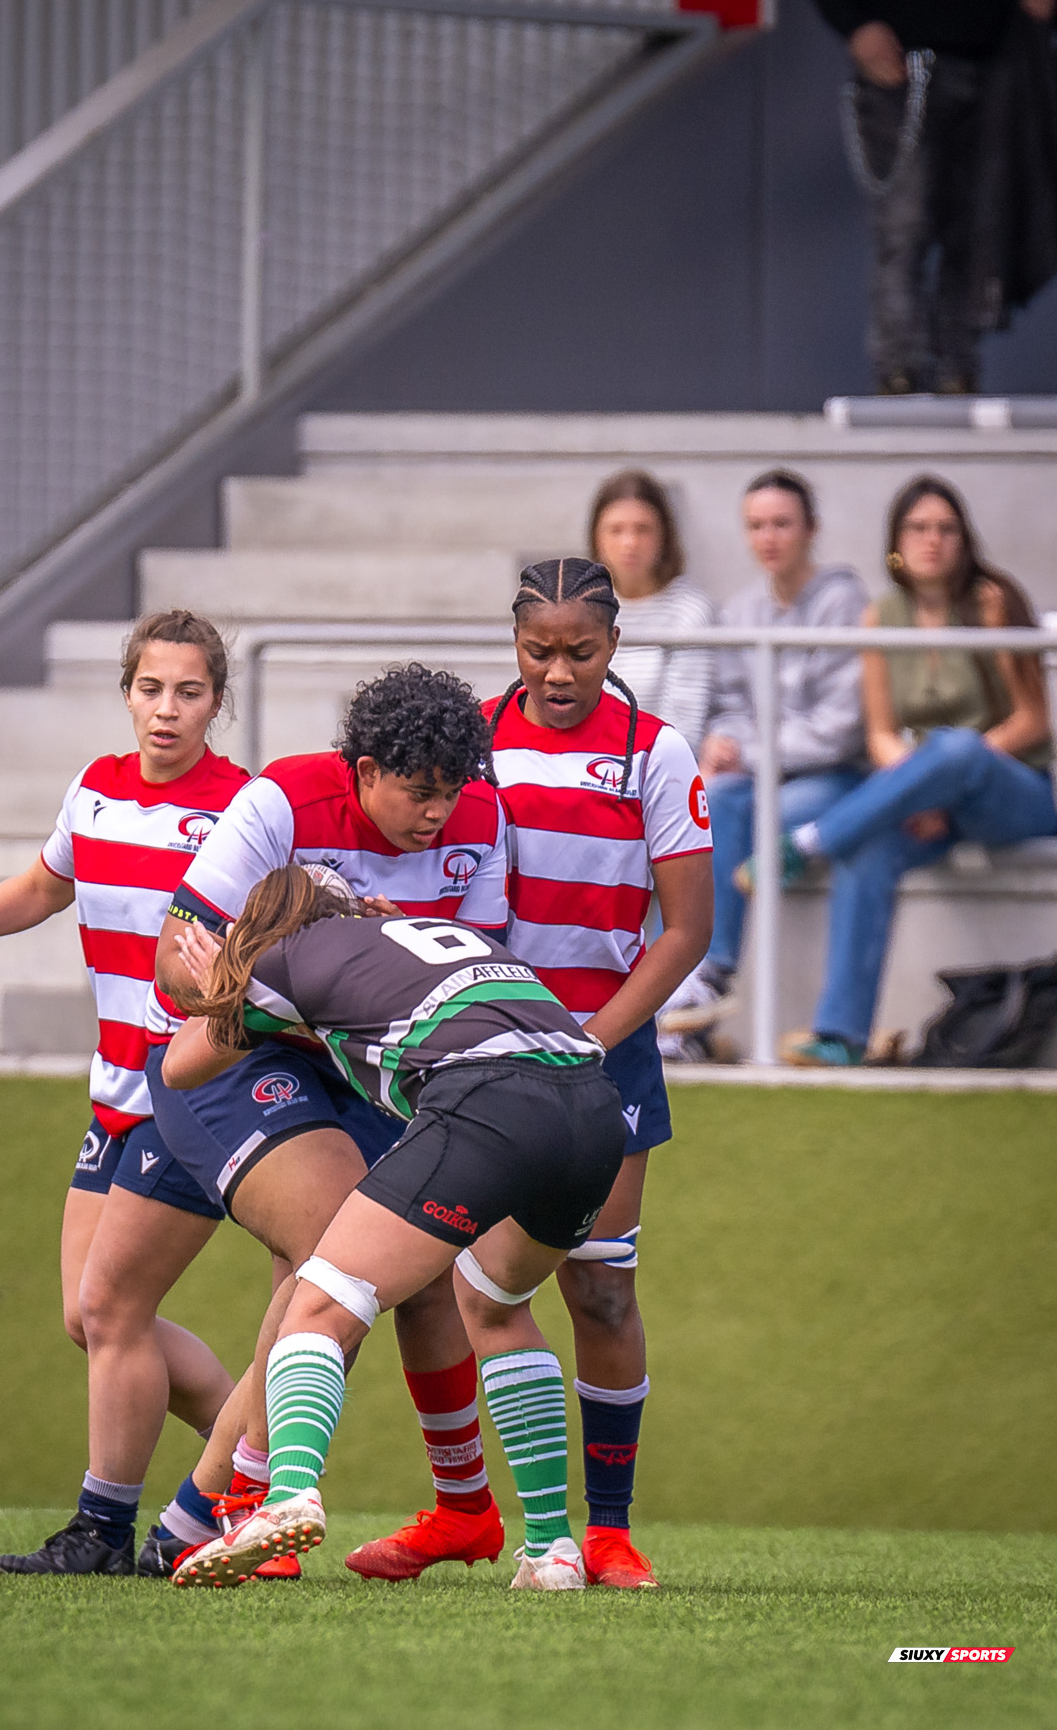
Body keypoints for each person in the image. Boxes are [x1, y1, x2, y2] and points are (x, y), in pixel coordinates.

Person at [347, 558, 713, 1590]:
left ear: (614, 646)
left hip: (604, 1049)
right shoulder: (474, 742)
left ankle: (606, 1533)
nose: (557, 671)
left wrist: (593, 1037)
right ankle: (463, 1513)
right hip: (478, 1040)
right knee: (431, 1286)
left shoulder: (652, 751)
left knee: (600, 1289)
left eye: (580, 652)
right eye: (537, 650)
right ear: (513, 644)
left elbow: (687, 930)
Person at [0, 610, 251, 1574]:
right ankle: (252, 1456)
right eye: (150, 688)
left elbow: (267, 955)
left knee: (114, 1308)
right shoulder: (94, 788)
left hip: (193, 1095)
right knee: (87, 1318)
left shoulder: (242, 812)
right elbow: (45, 888)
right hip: (115, 1092)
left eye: (190, 692)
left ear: (217, 702)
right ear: (126, 692)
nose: (166, 709)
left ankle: (103, 1529)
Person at [139, 664, 512, 1579]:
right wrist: (295, 980)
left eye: (452, 791)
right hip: (236, 1052)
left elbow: (476, 958)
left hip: (360, 1064)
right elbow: (176, 966)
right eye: (419, 792)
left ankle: (461, 1510)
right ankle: (227, 1510)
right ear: (366, 769)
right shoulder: (283, 800)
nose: (439, 814)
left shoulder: (481, 819)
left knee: (417, 1270)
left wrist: (338, 969)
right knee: (337, 1257)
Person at [161, 866, 627, 1592]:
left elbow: (181, 1066)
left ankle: (286, 1496)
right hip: (594, 1110)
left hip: (488, 1097)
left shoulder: (288, 956)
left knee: (320, 1302)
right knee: (497, 1308)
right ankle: (552, 1550)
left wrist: (223, 977)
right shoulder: (430, 934)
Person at [754, 475, 1056, 1066]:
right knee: (868, 849)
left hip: (1014, 791)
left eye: (946, 529)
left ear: (965, 539)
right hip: (933, 802)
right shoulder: (881, 616)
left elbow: (1033, 721)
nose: (931, 540)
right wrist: (924, 790)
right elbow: (880, 734)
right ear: (896, 541)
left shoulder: (991, 602)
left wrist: (950, 774)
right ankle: (841, 1037)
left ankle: (809, 841)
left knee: (957, 749)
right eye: (917, 528)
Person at [793, 0, 1057, 394]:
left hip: (999, 64)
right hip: (905, 68)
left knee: (981, 226)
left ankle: (957, 368)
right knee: (906, 221)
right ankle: (899, 371)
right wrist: (854, 25)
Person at [668, 470, 868, 1057]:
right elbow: (730, 706)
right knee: (713, 798)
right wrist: (724, 743)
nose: (768, 537)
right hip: (763, 778)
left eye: (782, 523)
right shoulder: (741, 609)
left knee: (759, 805)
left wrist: (747, 751)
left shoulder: (845, 602)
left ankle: (705, 981)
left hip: (838, 778)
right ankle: (704, 976)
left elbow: (840, 729)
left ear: (811, 529)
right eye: (756, 526)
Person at [590, 469, 717, 753]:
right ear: (597, 537)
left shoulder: (690, 610)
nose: (630, 543)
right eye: (616, 530)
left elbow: (684, 726)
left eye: (642, 529)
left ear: (664, 536)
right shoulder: (582, 609)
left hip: (657, 761)